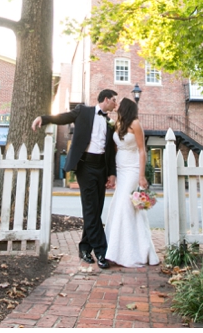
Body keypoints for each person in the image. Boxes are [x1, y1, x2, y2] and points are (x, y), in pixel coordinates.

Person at [32, 89, 118, 269]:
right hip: (85, 165)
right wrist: (44, 118)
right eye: (114, 101)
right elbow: (63, 117)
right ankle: (101, 252)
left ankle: (84, 248)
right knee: (90, 208)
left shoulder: (110, 122)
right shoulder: (83, 111)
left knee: (96, 208)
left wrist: (111, 173)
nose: (116, 104)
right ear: (106, 99)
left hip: (101, 167)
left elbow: (110, 151)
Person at [104, 97, 159, 268]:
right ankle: (116, 249)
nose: (117, 105)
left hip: (133, 169)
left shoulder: (135, 124)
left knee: (125, 206)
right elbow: (114, 150)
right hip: (120, 169)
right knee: (120, 206)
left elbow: (143, 151)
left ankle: (127, 253)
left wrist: (142, 175)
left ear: (127, 107)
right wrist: (112, 174)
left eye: (120, 104)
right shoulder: (117, 124)